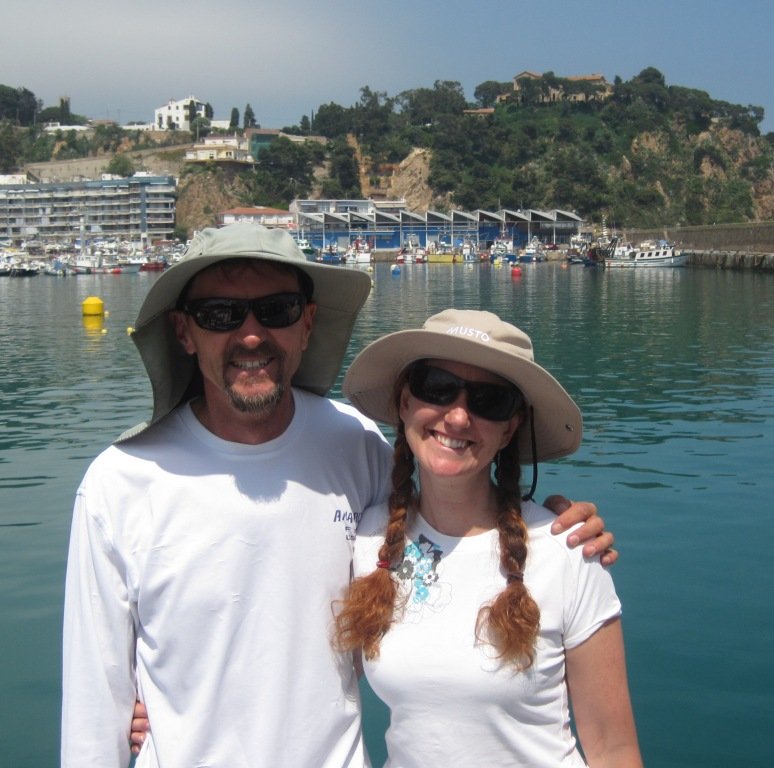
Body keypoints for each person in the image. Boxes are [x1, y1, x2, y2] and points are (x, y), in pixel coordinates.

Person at [62, 222, 614, 768]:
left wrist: (554, 528)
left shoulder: (357, 448)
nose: (251, 335)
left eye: (275, 310)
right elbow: (94, 702)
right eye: (221, 315)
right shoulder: (120, 482)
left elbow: (451, 517)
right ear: (184, 332)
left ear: (306, 324)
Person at [333, 309, 642, 767]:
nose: (457, 417)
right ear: (404, 403)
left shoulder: (567, 550)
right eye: (436, 386)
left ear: (509, 428)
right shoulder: (366, 540)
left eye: (488, 401)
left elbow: (614, 750)